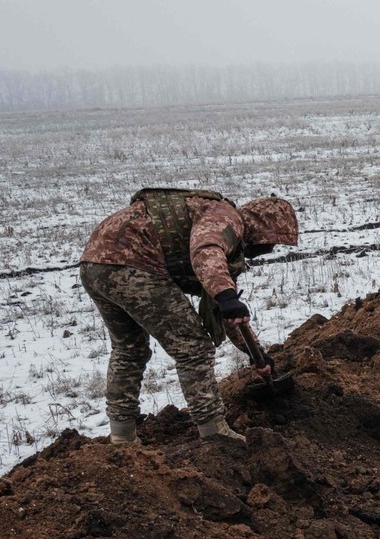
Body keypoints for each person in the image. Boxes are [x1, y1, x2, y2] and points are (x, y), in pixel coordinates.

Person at [81, 189, 298, 445]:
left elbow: (227, 313)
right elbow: (205, 249)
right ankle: (214, 430)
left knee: (129, 349)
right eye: (269, 242)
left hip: (94, 263)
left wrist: (255, 353)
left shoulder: (221, 238)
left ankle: (122, 435)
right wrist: (226, 294)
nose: (268, 249)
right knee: (193, 346)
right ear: (260, 227)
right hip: (134, 263)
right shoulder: (227, 218)